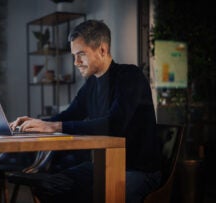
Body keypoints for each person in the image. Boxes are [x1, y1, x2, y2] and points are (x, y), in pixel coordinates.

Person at [9, 19, 162, 203]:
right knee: (47, 187)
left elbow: (113, 125)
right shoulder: (91, 84)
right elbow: (69, 115)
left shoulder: (130, 76)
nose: (75, 62)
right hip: (101, 166)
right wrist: (35, 123)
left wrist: (53, 126)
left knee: (97, 195)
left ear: (102, 50)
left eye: (81, 54)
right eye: (74, 55)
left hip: (138, 170)